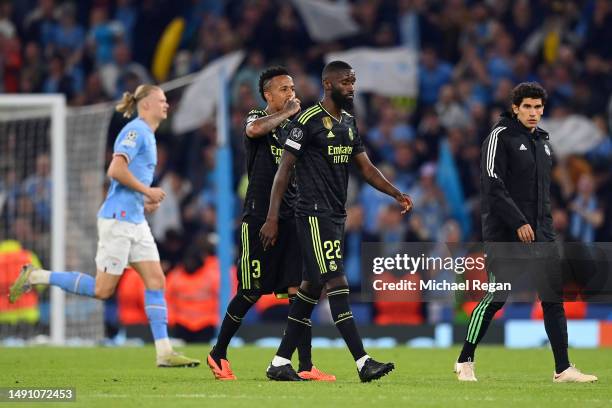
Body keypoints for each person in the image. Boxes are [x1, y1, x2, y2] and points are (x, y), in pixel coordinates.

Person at [9, 84, 200, 368]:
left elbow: (128, 179)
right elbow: (115, 170)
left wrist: (143, 201)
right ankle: (37, 276)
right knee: (102, 290)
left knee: (156, 280)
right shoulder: (135, 131)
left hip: (134, 219)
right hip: (118, 220)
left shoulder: (148, 134)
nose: (166, 105)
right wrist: (147, 192)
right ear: (145, 104)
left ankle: (164, 352)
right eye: (161, 100)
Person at [259, 61, 413, 382]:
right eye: (345, 82)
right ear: (328, 84)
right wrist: (272, 217)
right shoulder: (307, 121)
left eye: (353, 81)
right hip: (313, 213)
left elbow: (366, 168)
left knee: (310, 289)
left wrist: (396, 193)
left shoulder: (348, 123)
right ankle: (362, 362)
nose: (351, 87)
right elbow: (284, 169)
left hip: (335, 215)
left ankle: (279, 361)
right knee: (337, 283)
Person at [454, 82, 597, 383]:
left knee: (552, 298)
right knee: (497, 295)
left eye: (538, 107)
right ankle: (465, 359)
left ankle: (563, 368)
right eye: (527, 107)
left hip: (541, 234)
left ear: (543, 109)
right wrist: (518, 221)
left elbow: (542, 193)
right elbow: (492, 184)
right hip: (506, 232)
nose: (533, 113)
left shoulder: (544, 143)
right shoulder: (499, 136)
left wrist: (546, 226)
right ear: (516, 108)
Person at [207, 66, 335, 381]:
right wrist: (288, 113)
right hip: (259, 217)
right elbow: (253, 131)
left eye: (292, 88)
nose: (291, 94)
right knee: (250, 290)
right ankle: (218, 353)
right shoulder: (256, 117)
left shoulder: (295, 129)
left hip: (292, 216)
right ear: (268, 94)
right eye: (283, 89)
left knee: (299, 290)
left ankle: (305, 365)